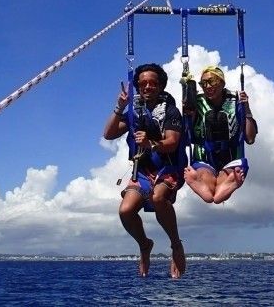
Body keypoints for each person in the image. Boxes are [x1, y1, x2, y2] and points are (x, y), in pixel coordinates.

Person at [103, 63, 186, 278]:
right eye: (143, 83)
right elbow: (109, 134)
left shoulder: (171, 111)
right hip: (141, 171)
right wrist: (120, 107)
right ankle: (144, 244)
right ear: (137, 86)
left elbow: (173, 142)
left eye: (153, 83)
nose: (148, 87)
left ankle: (176, 245)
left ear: (160, 86)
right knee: (126, 211)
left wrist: (151, 144)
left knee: (158, 198)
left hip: (166, 168)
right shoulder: (133, 112)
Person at [183, 66, 257, 204]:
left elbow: (250, 138)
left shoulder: (236, 100)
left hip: (231, 156)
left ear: (222, 83)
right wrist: (189, 114)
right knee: (208, 189)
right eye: (203, 83)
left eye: (212, 81)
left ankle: (232, 182)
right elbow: (187, 137)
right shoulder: (196, 102)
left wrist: (246, 107)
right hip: (204, 156)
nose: (208, 86)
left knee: (221, 192)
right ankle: (197, 181)